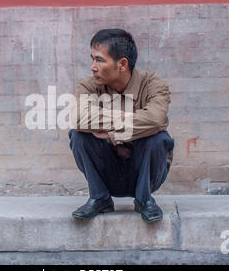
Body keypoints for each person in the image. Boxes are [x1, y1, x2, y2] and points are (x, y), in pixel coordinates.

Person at [68, 28, 175, 223]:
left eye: (99, 60)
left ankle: (145, 201)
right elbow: (79, 118)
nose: (93, 67)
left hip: (145, 172)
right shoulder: (88, 86)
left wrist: (112, 134)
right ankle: (100, 199)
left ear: (122, 64)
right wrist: (134, 120)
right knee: (78, 135)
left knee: (159, 138)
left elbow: (157, 118)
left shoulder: (153, 84)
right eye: (92, 59)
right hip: (108, 170)